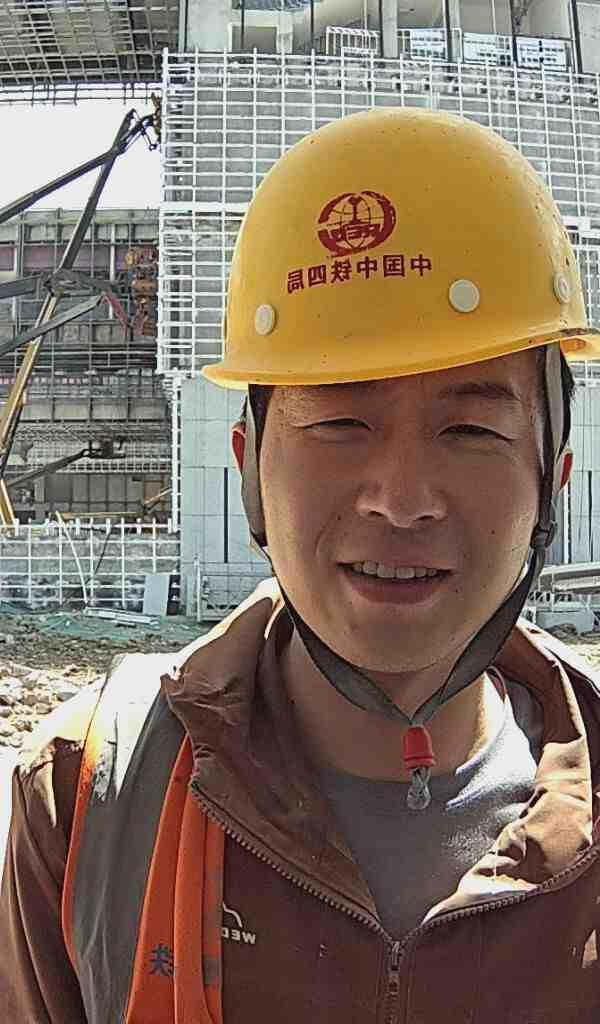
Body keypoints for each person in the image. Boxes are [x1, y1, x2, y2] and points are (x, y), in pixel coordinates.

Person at [2, 107, 600, 1024]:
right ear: (249, 468)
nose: (401, 498)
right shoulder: (89, 796)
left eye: (471, 428)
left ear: (552, 476)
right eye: (339, 421)